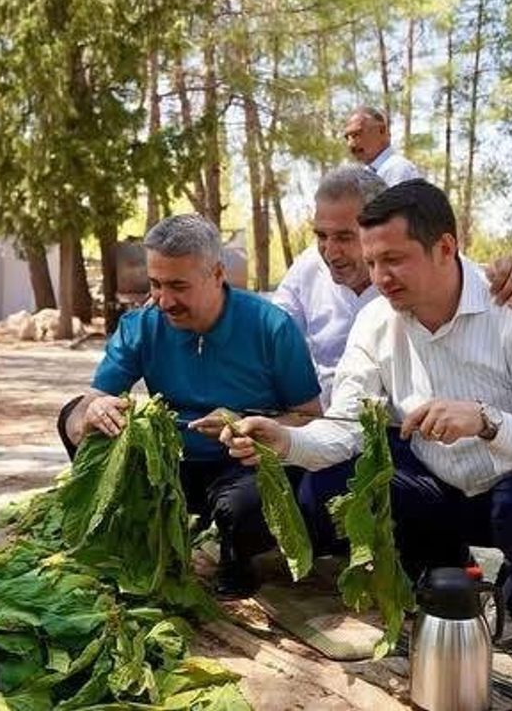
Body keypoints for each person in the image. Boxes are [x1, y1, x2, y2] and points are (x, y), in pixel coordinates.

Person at [221, 180, 512, 631]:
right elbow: (347, 428)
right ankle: (439, 562)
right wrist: (286, 440)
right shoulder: (375, 321)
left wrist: (485, 420)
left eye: (395, 260)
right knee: (326, 490)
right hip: (433, 483)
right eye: (373, 261)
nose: (380, 278)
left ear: (444, 247)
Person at [57, 214, 322, 598]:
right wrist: (92, 412)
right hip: (166, 465)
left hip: (242, 466)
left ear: (217, 274)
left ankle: (238, 556)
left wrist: (247, 425)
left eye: (178, 286)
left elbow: (309, 417)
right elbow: (92, 401)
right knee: (72, 415)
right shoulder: (141, 325)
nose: (163, 301)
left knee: (243, 507)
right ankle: (134, 537)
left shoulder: (272, 327)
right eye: (155, 284)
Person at [273, 165, 512, 408]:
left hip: (412, 438)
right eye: (321, 236)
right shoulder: (306, 269)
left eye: (345, 237)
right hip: (336, 426)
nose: (330, 252)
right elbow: (269, 331)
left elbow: (462, 271)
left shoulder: (430, 273)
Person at [343, 107, 421, 185]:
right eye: (347, 138)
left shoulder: (398, 170)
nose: (350, 144)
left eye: (356, 135)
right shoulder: (365, 175)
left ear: (381, 131)